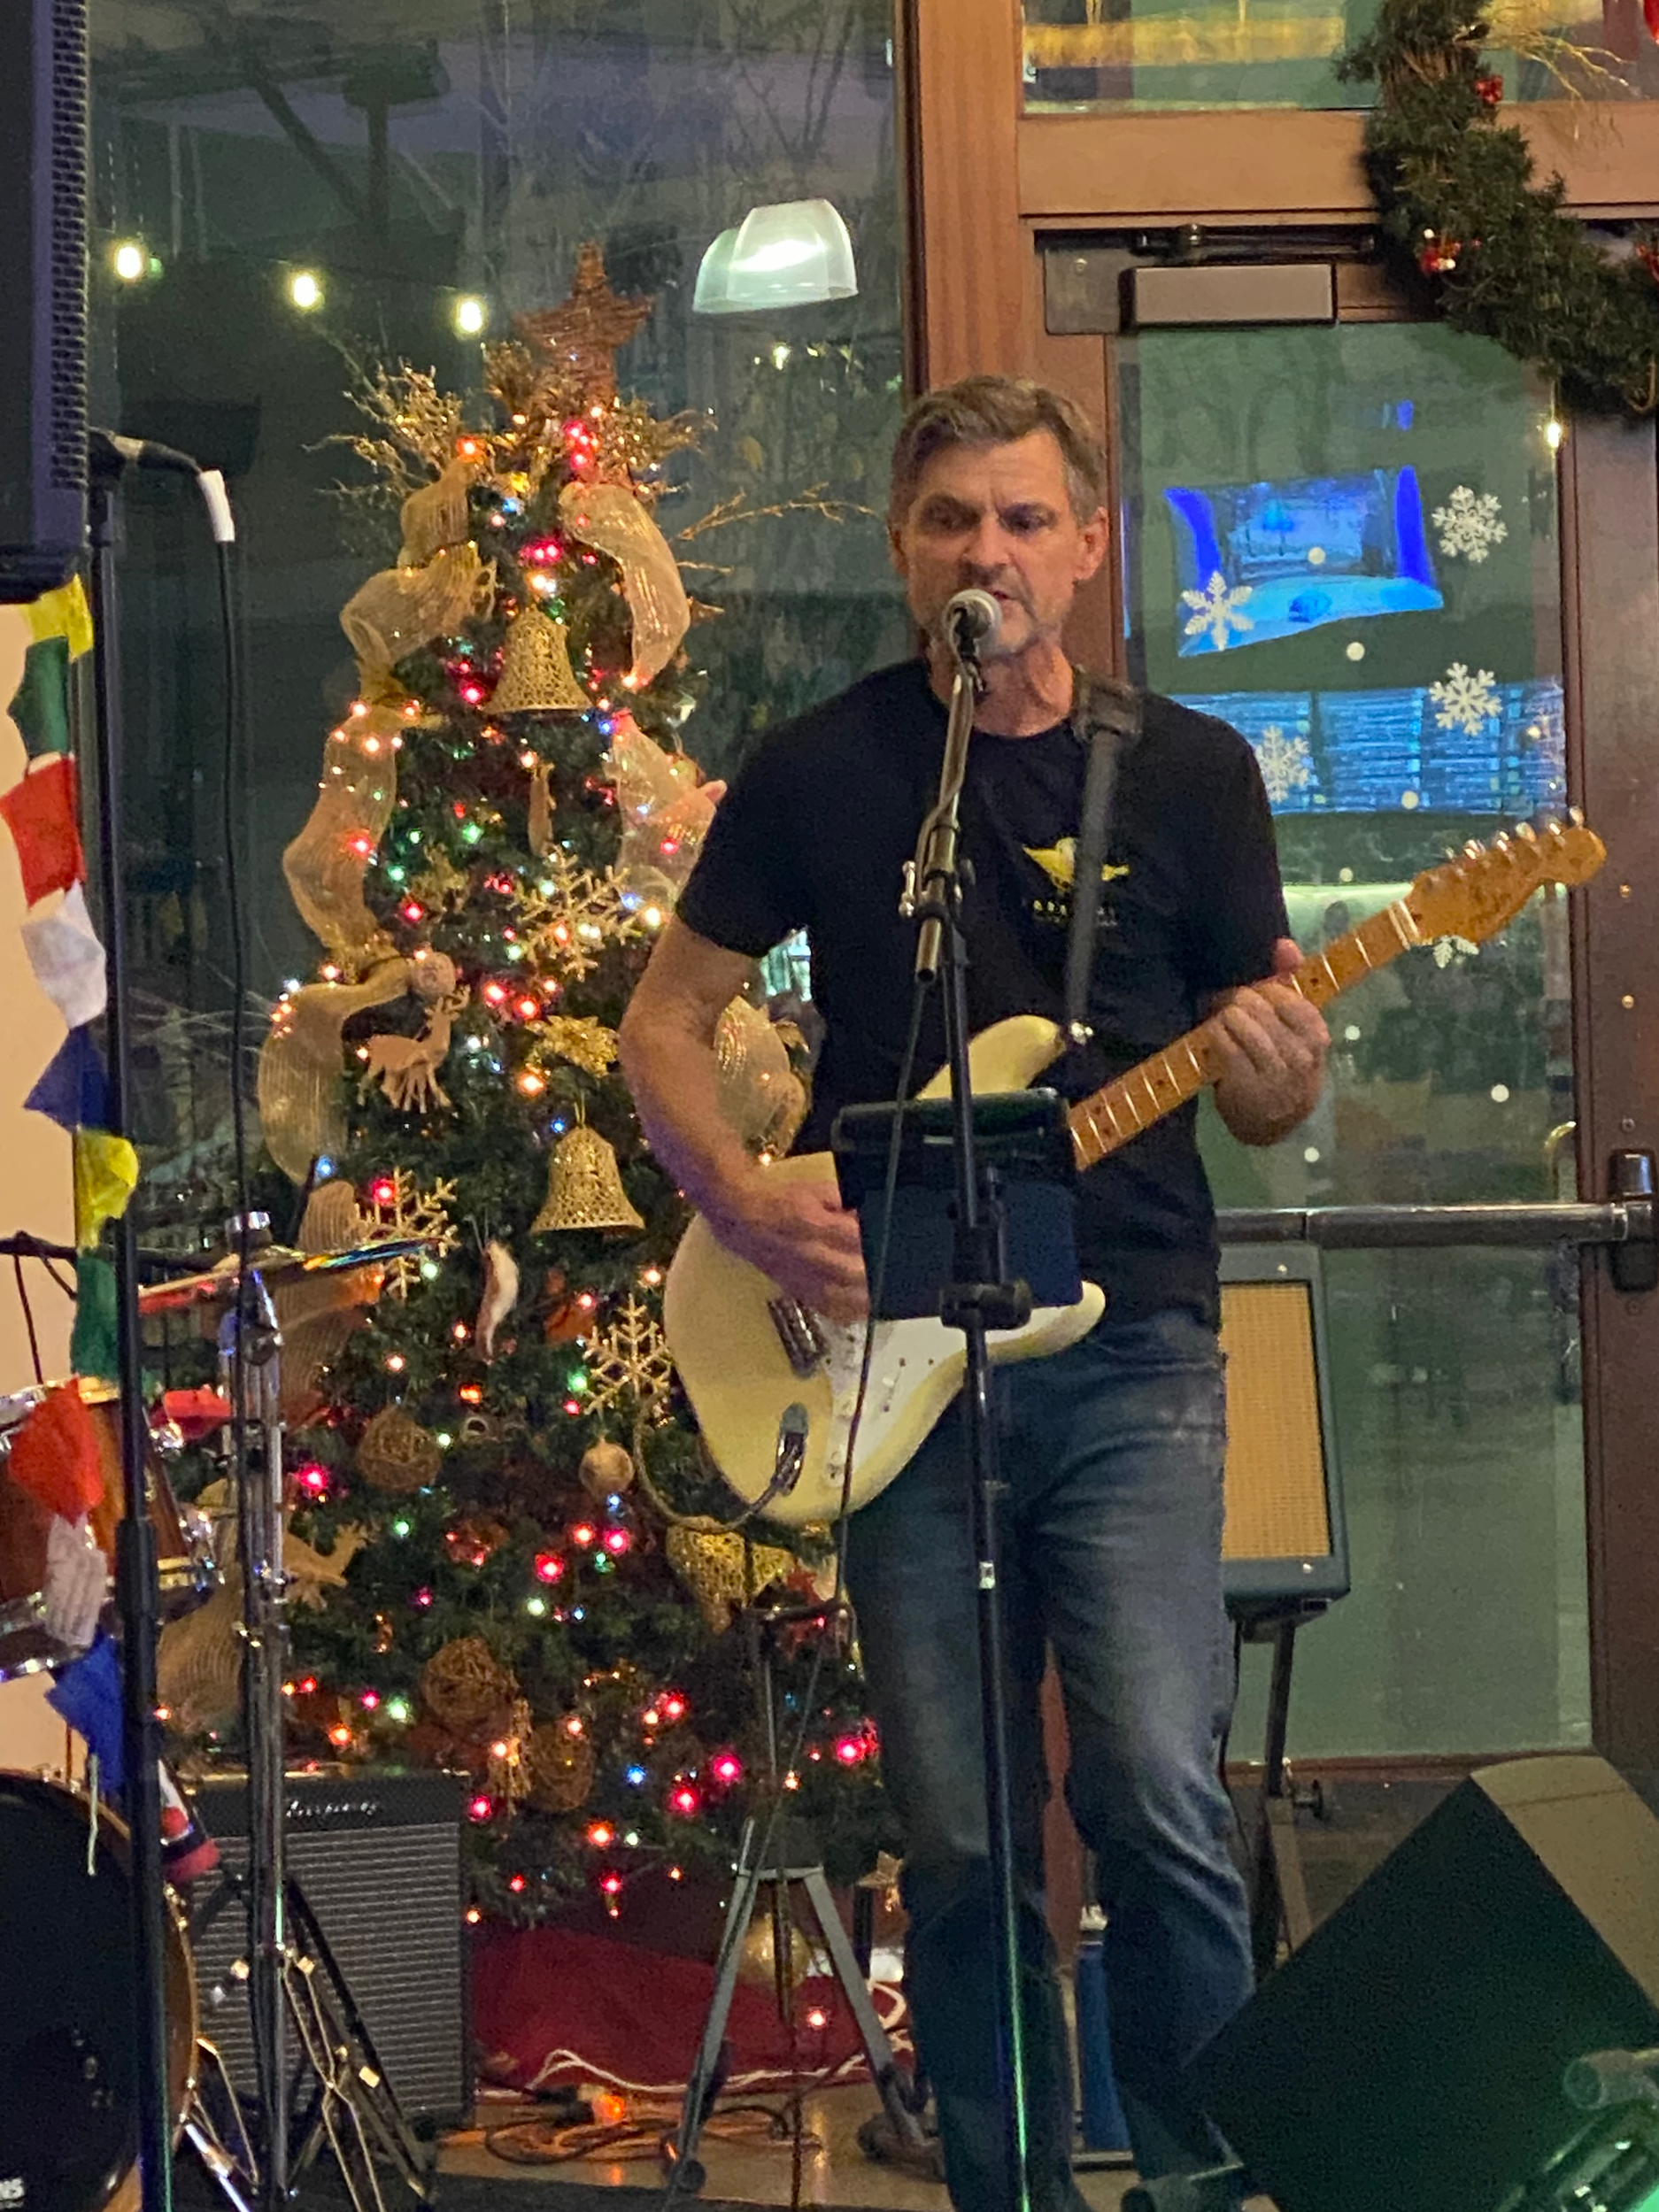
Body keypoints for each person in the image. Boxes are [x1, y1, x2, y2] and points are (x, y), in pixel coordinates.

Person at [619, 374, 1329, 2212]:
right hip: (889, 1358)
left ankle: (1194, 2176)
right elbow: (666, 1023)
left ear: (1087, 549)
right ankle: (1006, 2190)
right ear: (902, 548)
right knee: (957, 1835)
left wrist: (1268, 1054)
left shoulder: (1189, 775)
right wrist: (744, 1197)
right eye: (952, 520)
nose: (986, 551)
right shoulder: (828, 771)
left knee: (1161, 1795)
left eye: (1023, 518)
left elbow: (1263, 1094)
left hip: (1135, 1341)